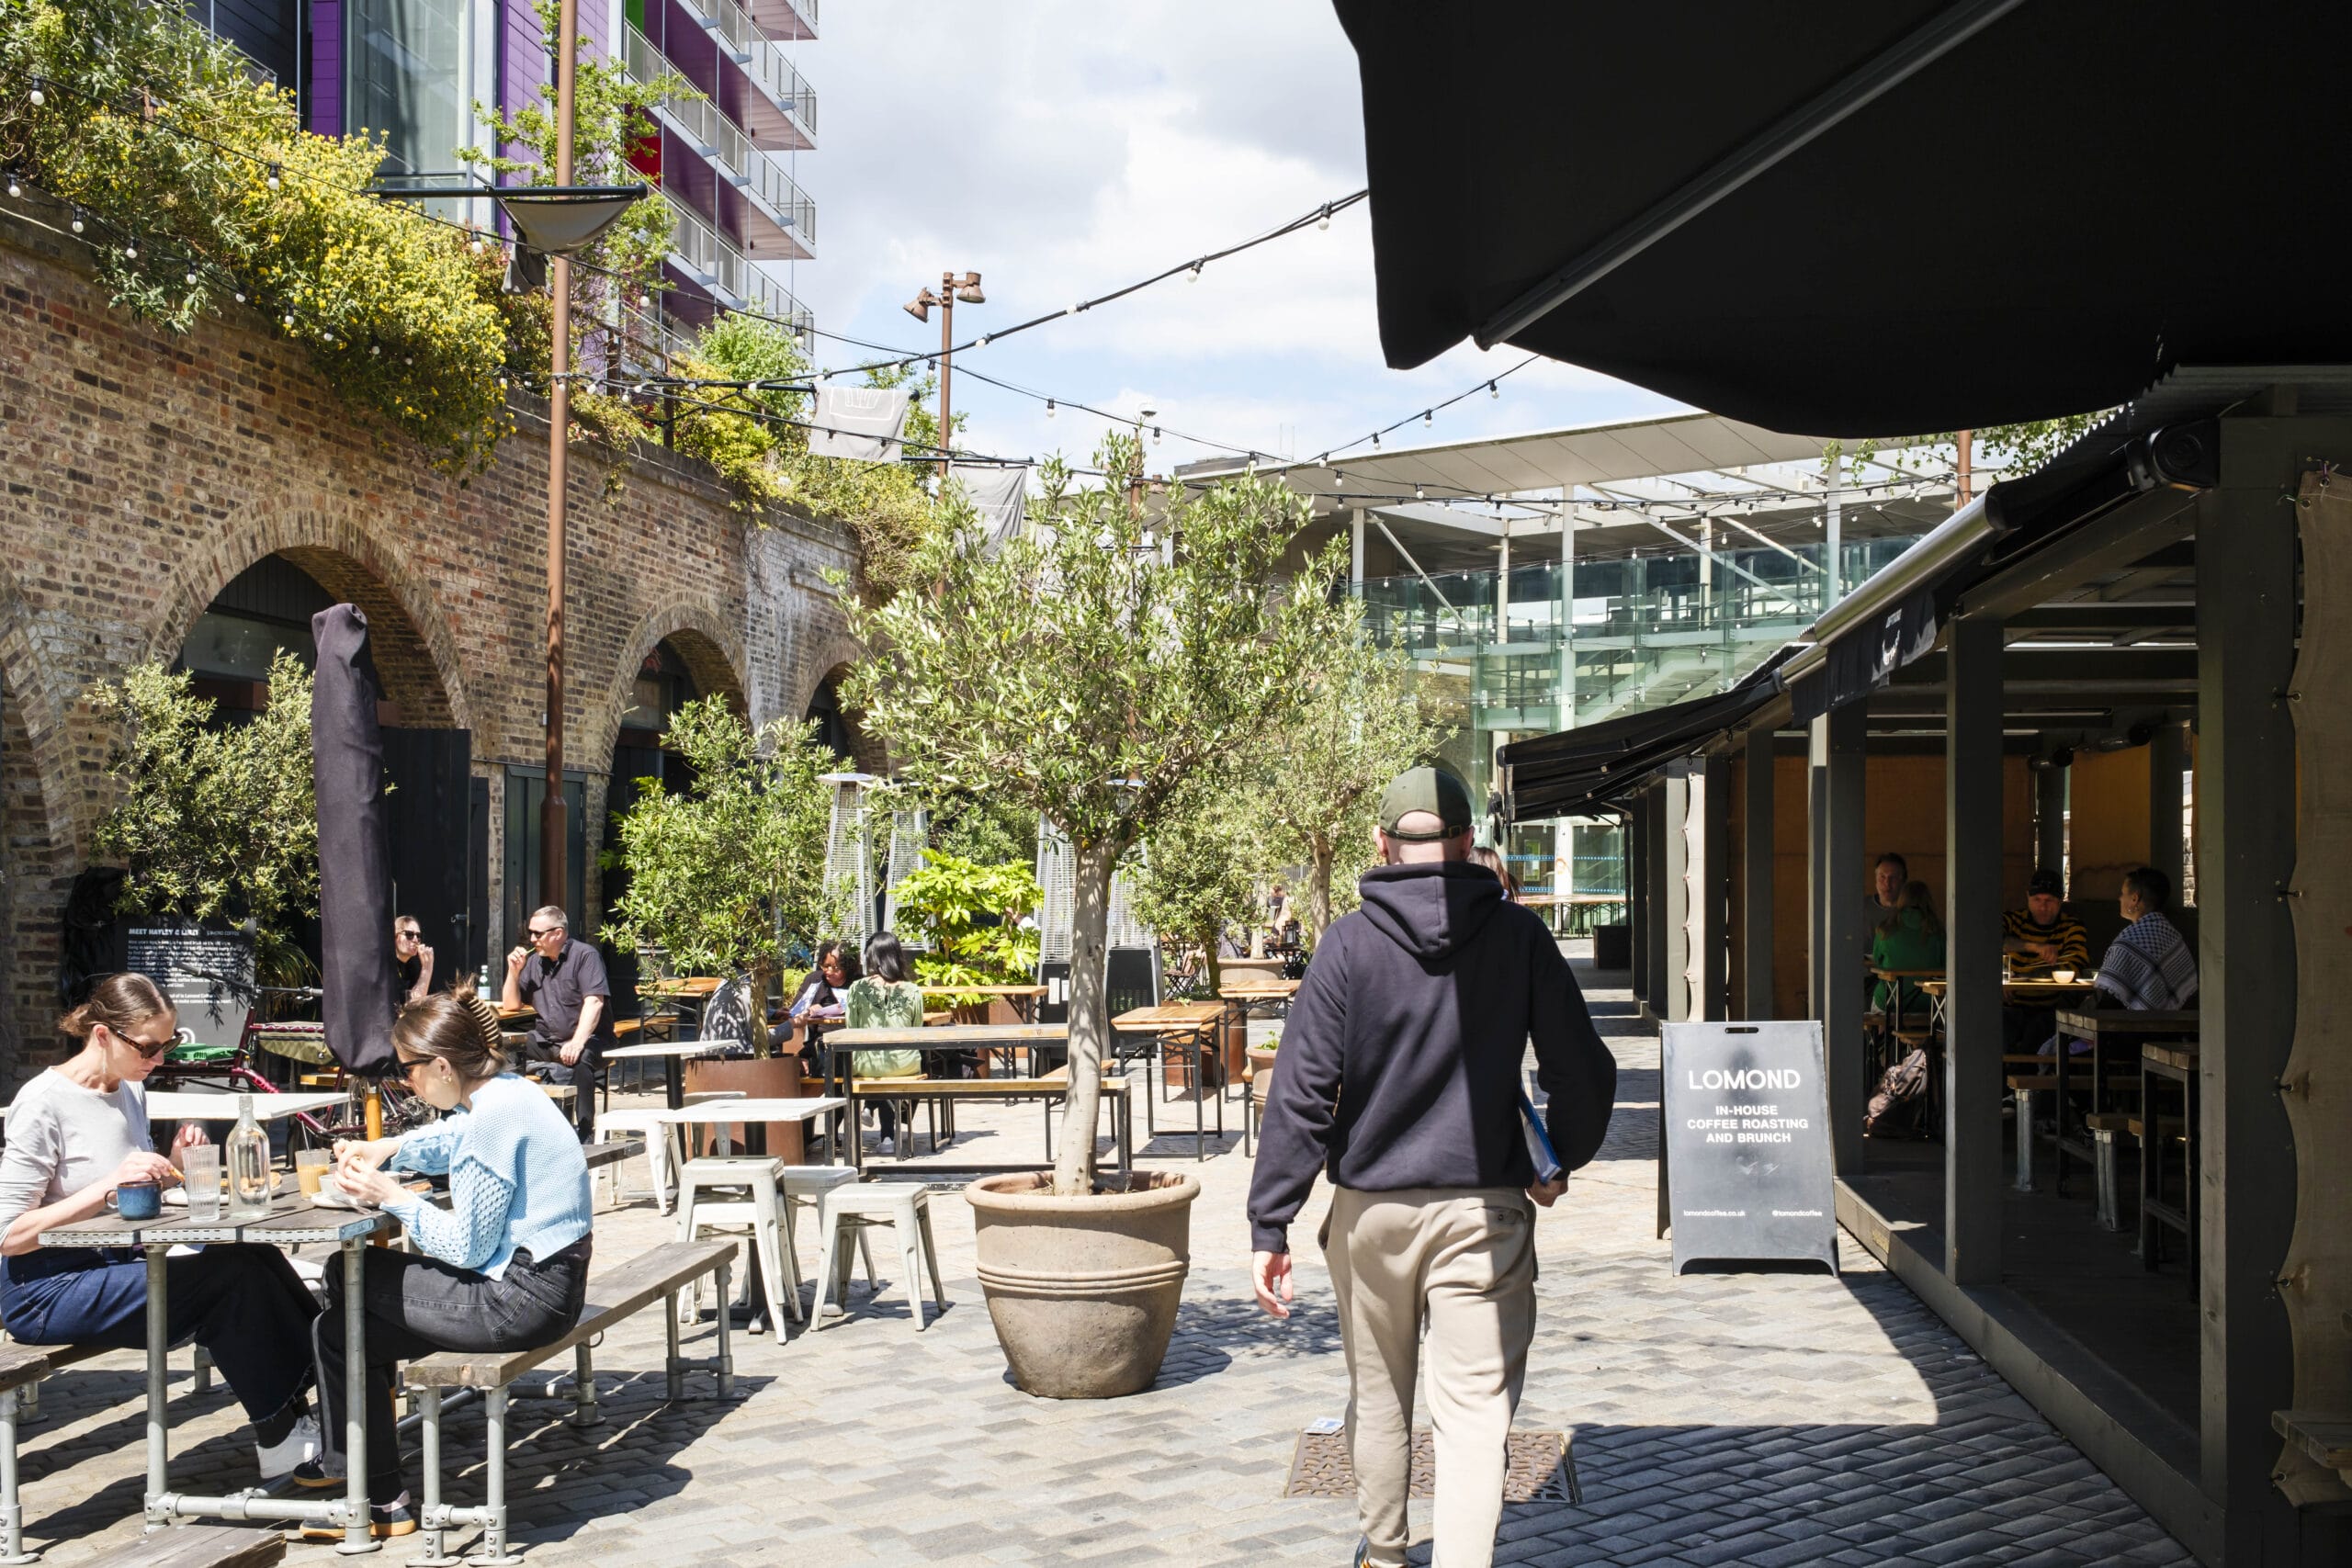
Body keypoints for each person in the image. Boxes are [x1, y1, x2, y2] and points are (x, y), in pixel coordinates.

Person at [1249, 766, 1618, 1568]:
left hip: (1371, 1213)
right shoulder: (1519, 937)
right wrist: (1560, 1154)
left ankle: (1383, 1555)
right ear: (1466, 844)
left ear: (1382, 844)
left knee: (1379, 1397)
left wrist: (1269, 1219)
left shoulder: (1347, 944)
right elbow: (1582, 1069)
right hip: (1484, 1211)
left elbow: (1302, 1089)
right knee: (1475, 1413)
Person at [0, 975, 322, 1483]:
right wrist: (108, 1185)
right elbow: (8, 1235)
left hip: (120, 1263)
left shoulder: (129, 1089)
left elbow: (130, 1198)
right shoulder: (42, 1103)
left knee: (251, 1254)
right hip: (44, 1289)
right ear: (102, 1035)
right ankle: (284, 1435)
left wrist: (170, 1166)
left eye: (168, 1044)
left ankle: (321, 1398)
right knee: (228, 1280)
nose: (159, 1059)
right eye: (149, 1047)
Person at [299, 990, 593, 1539]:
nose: (406, 1081)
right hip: (550, 1286)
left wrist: (392, 1195)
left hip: (519, 1301)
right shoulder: (508, 1092)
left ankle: (363, 1483)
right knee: (342, 1328)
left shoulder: (492, 1119)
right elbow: (452, 1136)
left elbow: (466, 1250)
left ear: (440, 1065)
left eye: (408, 1069)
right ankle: (377, 1495)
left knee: (345, 1283)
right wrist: (392, 1147)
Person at [501, 904, 613, 1142]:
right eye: (530, 933)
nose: (532, 939)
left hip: (591, 1040)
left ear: (558, 933)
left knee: (581, 1058)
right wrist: (513, 972)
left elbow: (594, 1002)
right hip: (548, 1041)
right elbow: (511, 1004)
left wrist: (577, 1041)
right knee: (507, 1046)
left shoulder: (585, 956)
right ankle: (515, 1125)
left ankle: (584, 1132)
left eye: (538, 934)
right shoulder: (534, 963)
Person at [843, 932, 927, 1154]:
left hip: (865, 1062)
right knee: (891, 1066)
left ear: (871, 957)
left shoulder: (857, 988)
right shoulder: (912, 990)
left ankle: (871, 1108)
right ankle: (887, 1138)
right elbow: (916, 1028)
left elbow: (852, 1027)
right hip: (904, 1063)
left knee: (878, 1065)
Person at [2000, 869, 2091, 1052]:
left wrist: (2019, 979)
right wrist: (2033, 947)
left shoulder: (2072, 926)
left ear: (2060, 901)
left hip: (2049, 1008)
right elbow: (1988, 942)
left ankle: (2026, 1077)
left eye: (2049, 901)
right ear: (2027, 897)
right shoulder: (2012, 920)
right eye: (2037, 900)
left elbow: (2073, 966)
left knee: (2039, 1032)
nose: (2043, 907)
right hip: (2009, 1007)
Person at [2090, 865, 2198, 1015]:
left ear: (2134, 899)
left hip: (2126, 1031)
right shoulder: (2174, 937)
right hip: (2172, 1029)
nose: (2119, 898)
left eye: (2122, 894)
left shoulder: (2128, 941)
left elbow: (2107, 996)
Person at [1868, 879, 1946, 1024]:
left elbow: (1878, 961)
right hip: (1930, 1003)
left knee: (1876, 1000)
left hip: (1890, 1002)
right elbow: (1945, 963)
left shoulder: (1886, 929)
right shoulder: (1938, 931)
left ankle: (1879, 1044)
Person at [392, 916, 434, 1004]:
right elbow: (412, 1004)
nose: (415, 940)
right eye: (409, 934)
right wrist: (427, 969)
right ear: (395, 936)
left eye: (418, 936)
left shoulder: (413, 965)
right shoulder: (387, 965)